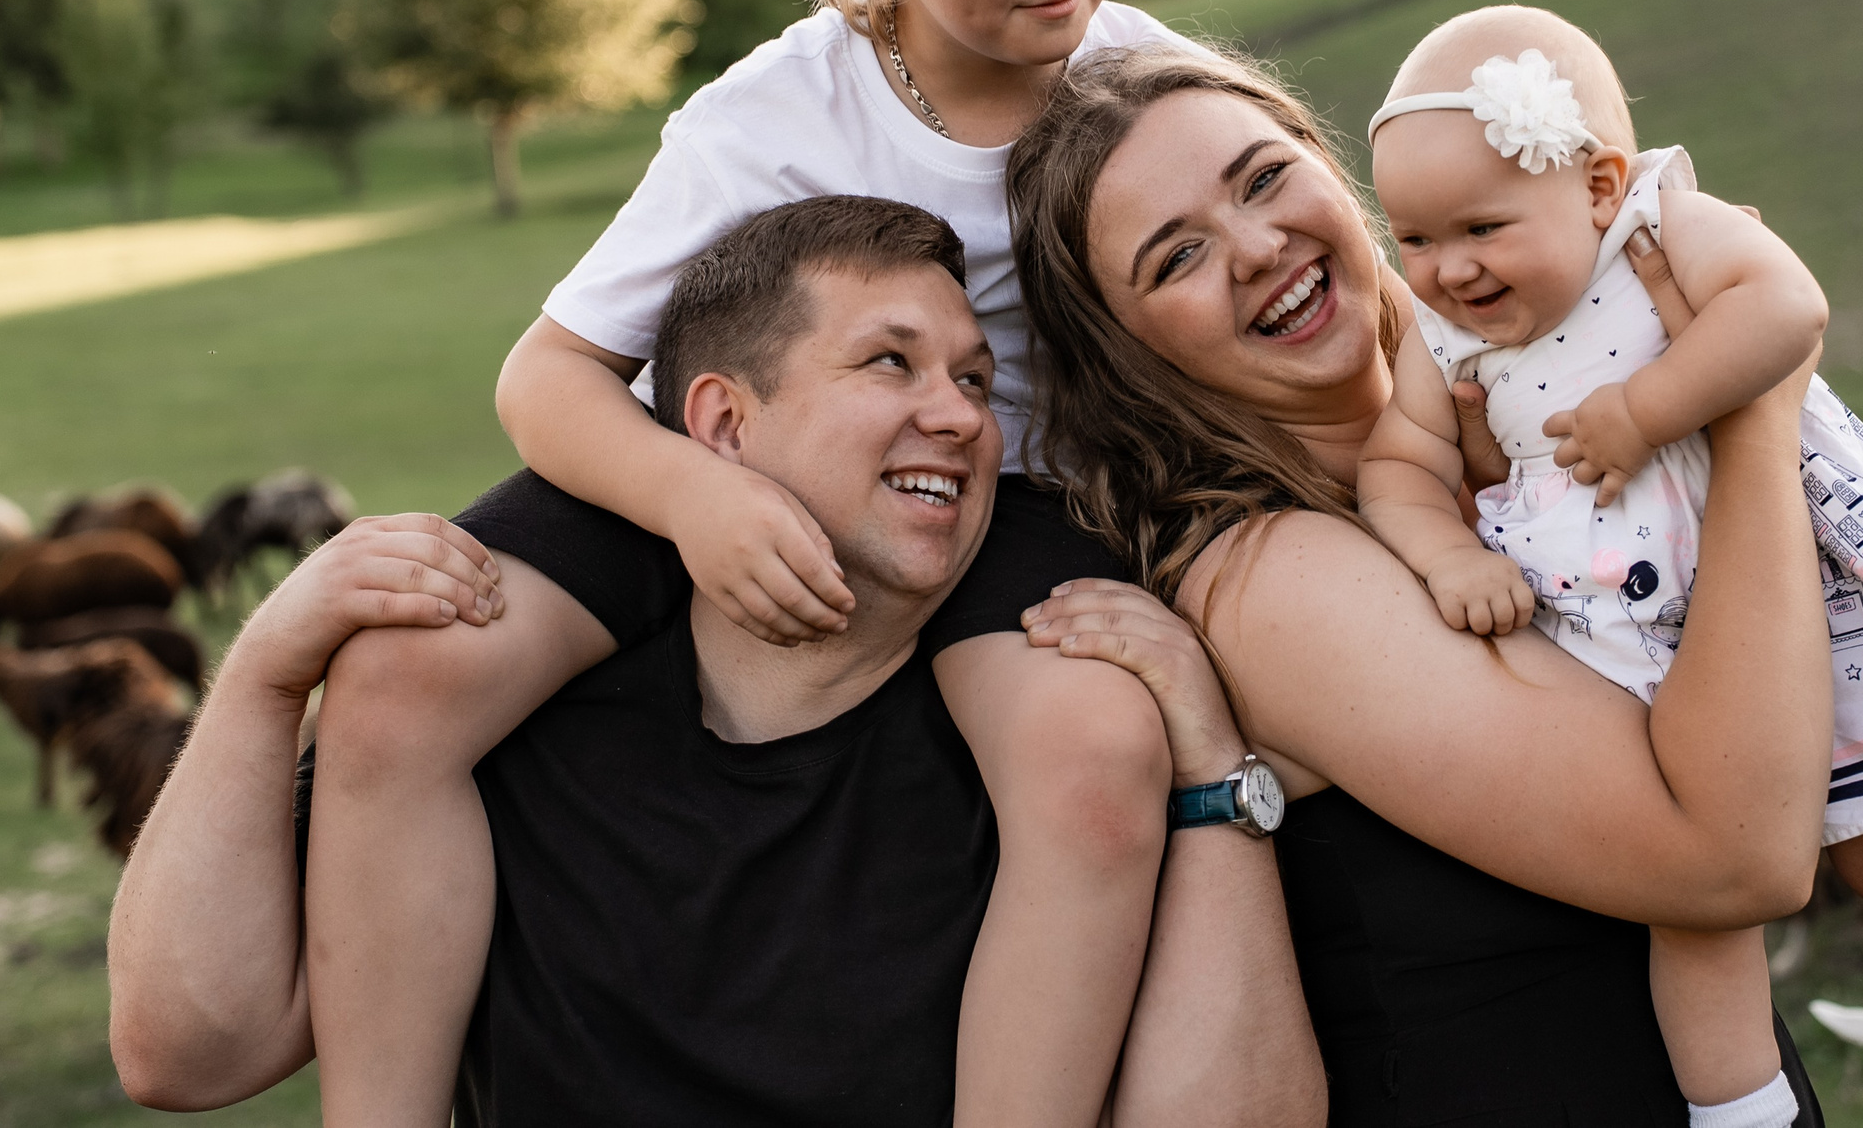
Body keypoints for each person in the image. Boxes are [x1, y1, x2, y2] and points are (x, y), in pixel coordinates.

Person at [303, 0, 1215, 1124]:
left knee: (1092, 754)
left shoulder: (1146, 86)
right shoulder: (772, 116)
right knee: (402, 680)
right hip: (713, 471)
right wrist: (694, 501)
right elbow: (547, 378)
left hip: (1002, 485)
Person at [108, 196, 1324, 1125]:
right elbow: (183, 1049)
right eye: (887, 363)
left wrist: (1214, 766)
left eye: (974, 378)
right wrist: (269, 673)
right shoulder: (513, 729)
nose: (959, 418)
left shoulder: (1037, 736)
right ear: (721, 428)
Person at [1004, 42, 1838, 1126]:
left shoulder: (1532, 397)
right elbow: (1736, 861)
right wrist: (1750, 412)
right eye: (1176, 259)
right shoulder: (1266, 579)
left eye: (1263, 179)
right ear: (1125, 354)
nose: (1258, 248)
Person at [1355, 6, 1863, 1128]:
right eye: (1414, 239)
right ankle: (1743, 1116)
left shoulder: (1664, 223)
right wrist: (1440, 554)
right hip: (1619, 643)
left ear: (1595, 184)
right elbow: (1400, 462)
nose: (1447, 269)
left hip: (1796, 597)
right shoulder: (1439, 337)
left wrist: (1648, 406)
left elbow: (1787, 308)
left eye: (1481, 226)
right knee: (1693, 908)